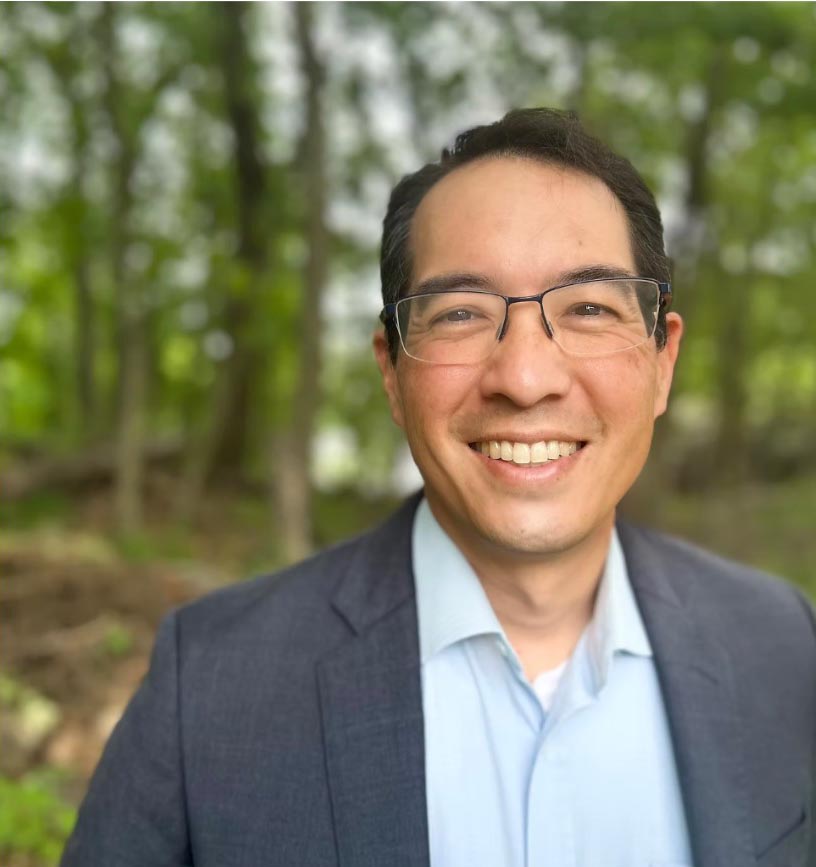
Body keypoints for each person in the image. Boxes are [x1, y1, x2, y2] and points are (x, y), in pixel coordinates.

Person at [62, 108, 815, 867]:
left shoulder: (787, 644)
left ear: (662, 363)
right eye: (460, 313)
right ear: (392, 373)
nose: (526, 378)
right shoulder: (211, 683)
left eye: (589, 308)